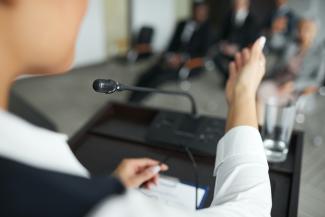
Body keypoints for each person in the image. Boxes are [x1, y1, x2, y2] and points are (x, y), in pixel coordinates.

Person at [0, 1, 271, 217]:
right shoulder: (83, 204)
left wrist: (110, 184)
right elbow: (251, 209)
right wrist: (244, 94)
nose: (85, 5)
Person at [129, 2, 212, 103]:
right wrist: (170, 56)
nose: (200, 13)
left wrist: (182, 59)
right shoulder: (182, 24)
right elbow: (172, 44)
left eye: (202, 11)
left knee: (158, 79)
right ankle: (129, 101)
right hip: (171, 59)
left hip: (189, 64)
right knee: (145, 75)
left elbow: (203, 53)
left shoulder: (208, 30)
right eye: (198, 10)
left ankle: (135, 103)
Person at [259, 18, 325, 106]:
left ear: (314, 32)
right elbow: (275, 42)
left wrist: (294, 85)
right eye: (300, 28)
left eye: (307, 29)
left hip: (297, 89)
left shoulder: (319, 54)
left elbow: (316, 80)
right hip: (278, 80)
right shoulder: (292, 44)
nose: (302, 32)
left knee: (273, 100)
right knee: (261, 93)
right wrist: (275, 30)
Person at [213, 0, 259, 83]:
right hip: (227, 47)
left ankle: (232, 79)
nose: (238, 5)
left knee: (239, 61)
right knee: (214, 55)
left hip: (241, 49)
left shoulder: (252, 20)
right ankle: (228, 77)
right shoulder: (229, 15)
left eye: (240, 3)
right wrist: (223, 44)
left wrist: (237, 48)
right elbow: (222, 32)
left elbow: (252, 40)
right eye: (236, 3)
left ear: (246, 4)